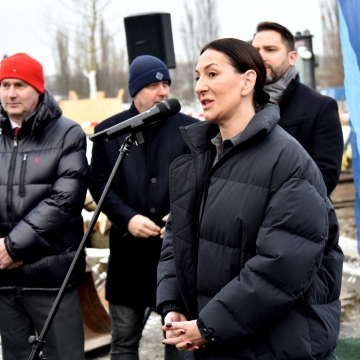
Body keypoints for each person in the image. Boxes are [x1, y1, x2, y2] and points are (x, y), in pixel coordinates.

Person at [157, 38, 343, 359]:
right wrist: (174, 305)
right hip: (215, 341)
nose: (200, 85)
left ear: (248, 81)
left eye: (212, 74)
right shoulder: (199, 159)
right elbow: (177, 239)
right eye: (198, 75)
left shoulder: (287, 162)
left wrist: (209, 325)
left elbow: (280, 267)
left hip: (273, 346)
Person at [89, 55, 198, 360]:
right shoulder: (110, 132)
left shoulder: (192, 130)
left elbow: (204, 182)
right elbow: (99, 184)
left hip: (177, 258)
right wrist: (127, 218)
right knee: (123, 344)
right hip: (129, 258)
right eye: (153, 84)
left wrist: (181, 213)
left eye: (166, 84)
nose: (163, 91)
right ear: (135, 90)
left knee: (180, 347)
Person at [0, 53, 88, 359]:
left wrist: (12, 248)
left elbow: (64, 201)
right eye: (5, 84)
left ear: (38, 88)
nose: (11, 93)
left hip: (51, 275)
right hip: (4, 280)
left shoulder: (67, 133)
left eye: (20, 85)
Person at [252, 22, 343, 196]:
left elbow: (325, 177)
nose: (260, 56)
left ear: (292, 57)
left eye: (270, 50)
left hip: (295, 217)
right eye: (255, 50)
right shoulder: (241, 105)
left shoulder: (320, 107)